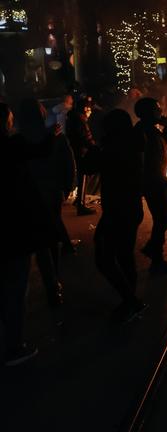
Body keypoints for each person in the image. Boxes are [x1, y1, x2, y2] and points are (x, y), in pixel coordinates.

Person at [1, 102, 58, 365]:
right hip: (16, 228)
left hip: (14, 227)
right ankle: (13, 347)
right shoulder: (13, 145)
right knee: (15, 288)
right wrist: (52, 135)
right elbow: (40, 151)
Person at [18, 98, 75, 307]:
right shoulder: (53, 136)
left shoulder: (18, 140)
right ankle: (52, 284)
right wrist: (66, 187)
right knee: (47, 241)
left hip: (29, 196)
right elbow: (67, 163)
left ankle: (45, 286)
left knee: (37, 242)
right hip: (46, 194)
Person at [93, 109, 147, 323]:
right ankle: (130, 300)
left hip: (119, 209)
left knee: (105, 256)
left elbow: (90, 165)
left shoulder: (115, 148)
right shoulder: (131, 143)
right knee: (124, 256)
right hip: (128, 207)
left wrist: (96, 147)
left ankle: (131, 300)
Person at [134, 97, 167, 274]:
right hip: (153, 182)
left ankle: (154, 248)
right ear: (148, 112)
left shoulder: (152, 130)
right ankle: (157, 259)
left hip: (158, 180)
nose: (160, 112)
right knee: (162, 217)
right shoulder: (141, 132)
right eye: (157, 109)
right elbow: (142, 161)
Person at [66, 98, 97, 215]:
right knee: (83, 175)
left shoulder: (73, 117)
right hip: (80, 151)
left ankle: (79, 200)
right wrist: (94, 147)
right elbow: (86, 136)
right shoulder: (80, 119)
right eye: (89, 109)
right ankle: (81, 204)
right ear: (85, 108)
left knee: (81, 175)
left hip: (75, 149)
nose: (90, 111)